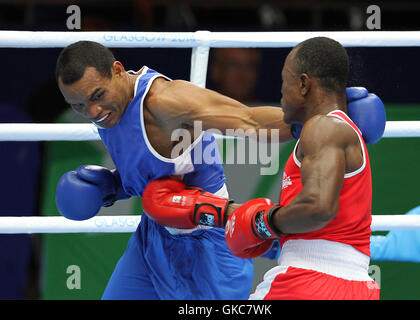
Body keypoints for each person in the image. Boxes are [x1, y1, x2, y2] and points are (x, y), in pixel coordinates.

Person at [55, 40, 382, 300]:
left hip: (207, 238)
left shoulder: (166, 102)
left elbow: (249, 121)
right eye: (79, 106)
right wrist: (113, 185)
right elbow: (151, 169)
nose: (93, 111)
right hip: (153, 236)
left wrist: (325, 113)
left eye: (97, 96)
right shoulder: (105, 111)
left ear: (117, 70)